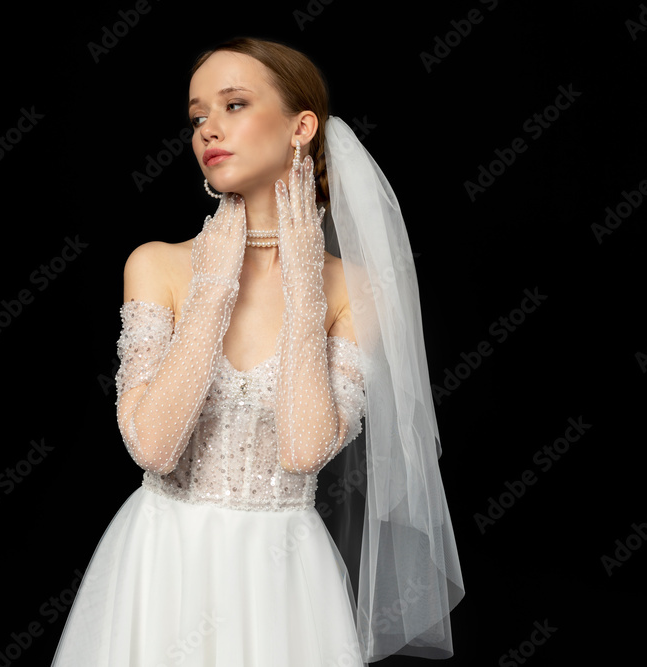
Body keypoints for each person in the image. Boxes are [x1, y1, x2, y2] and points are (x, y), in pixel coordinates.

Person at [50, 37, 463, 666]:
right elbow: (153, 448)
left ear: (301, 127)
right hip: (162, 560)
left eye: (235, 104)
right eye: (196, 116)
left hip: (282, 573)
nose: (208, 129)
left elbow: (303, 450)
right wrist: (214, 286)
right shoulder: (156, 265)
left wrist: (304, 291)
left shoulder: (353, 291)